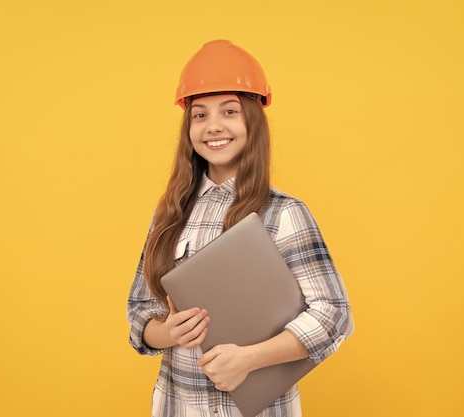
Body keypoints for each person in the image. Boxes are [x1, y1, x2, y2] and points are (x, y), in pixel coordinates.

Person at [127, 40, 354, 417]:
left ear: (252, 119)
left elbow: (334, 315)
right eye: (199, 115)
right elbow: (139, 311)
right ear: (188, 128)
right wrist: (167, 333)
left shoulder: (284, 213)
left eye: (229, 111)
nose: (213, 126)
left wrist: (249, 359)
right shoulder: (169, 213)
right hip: (176, 407)